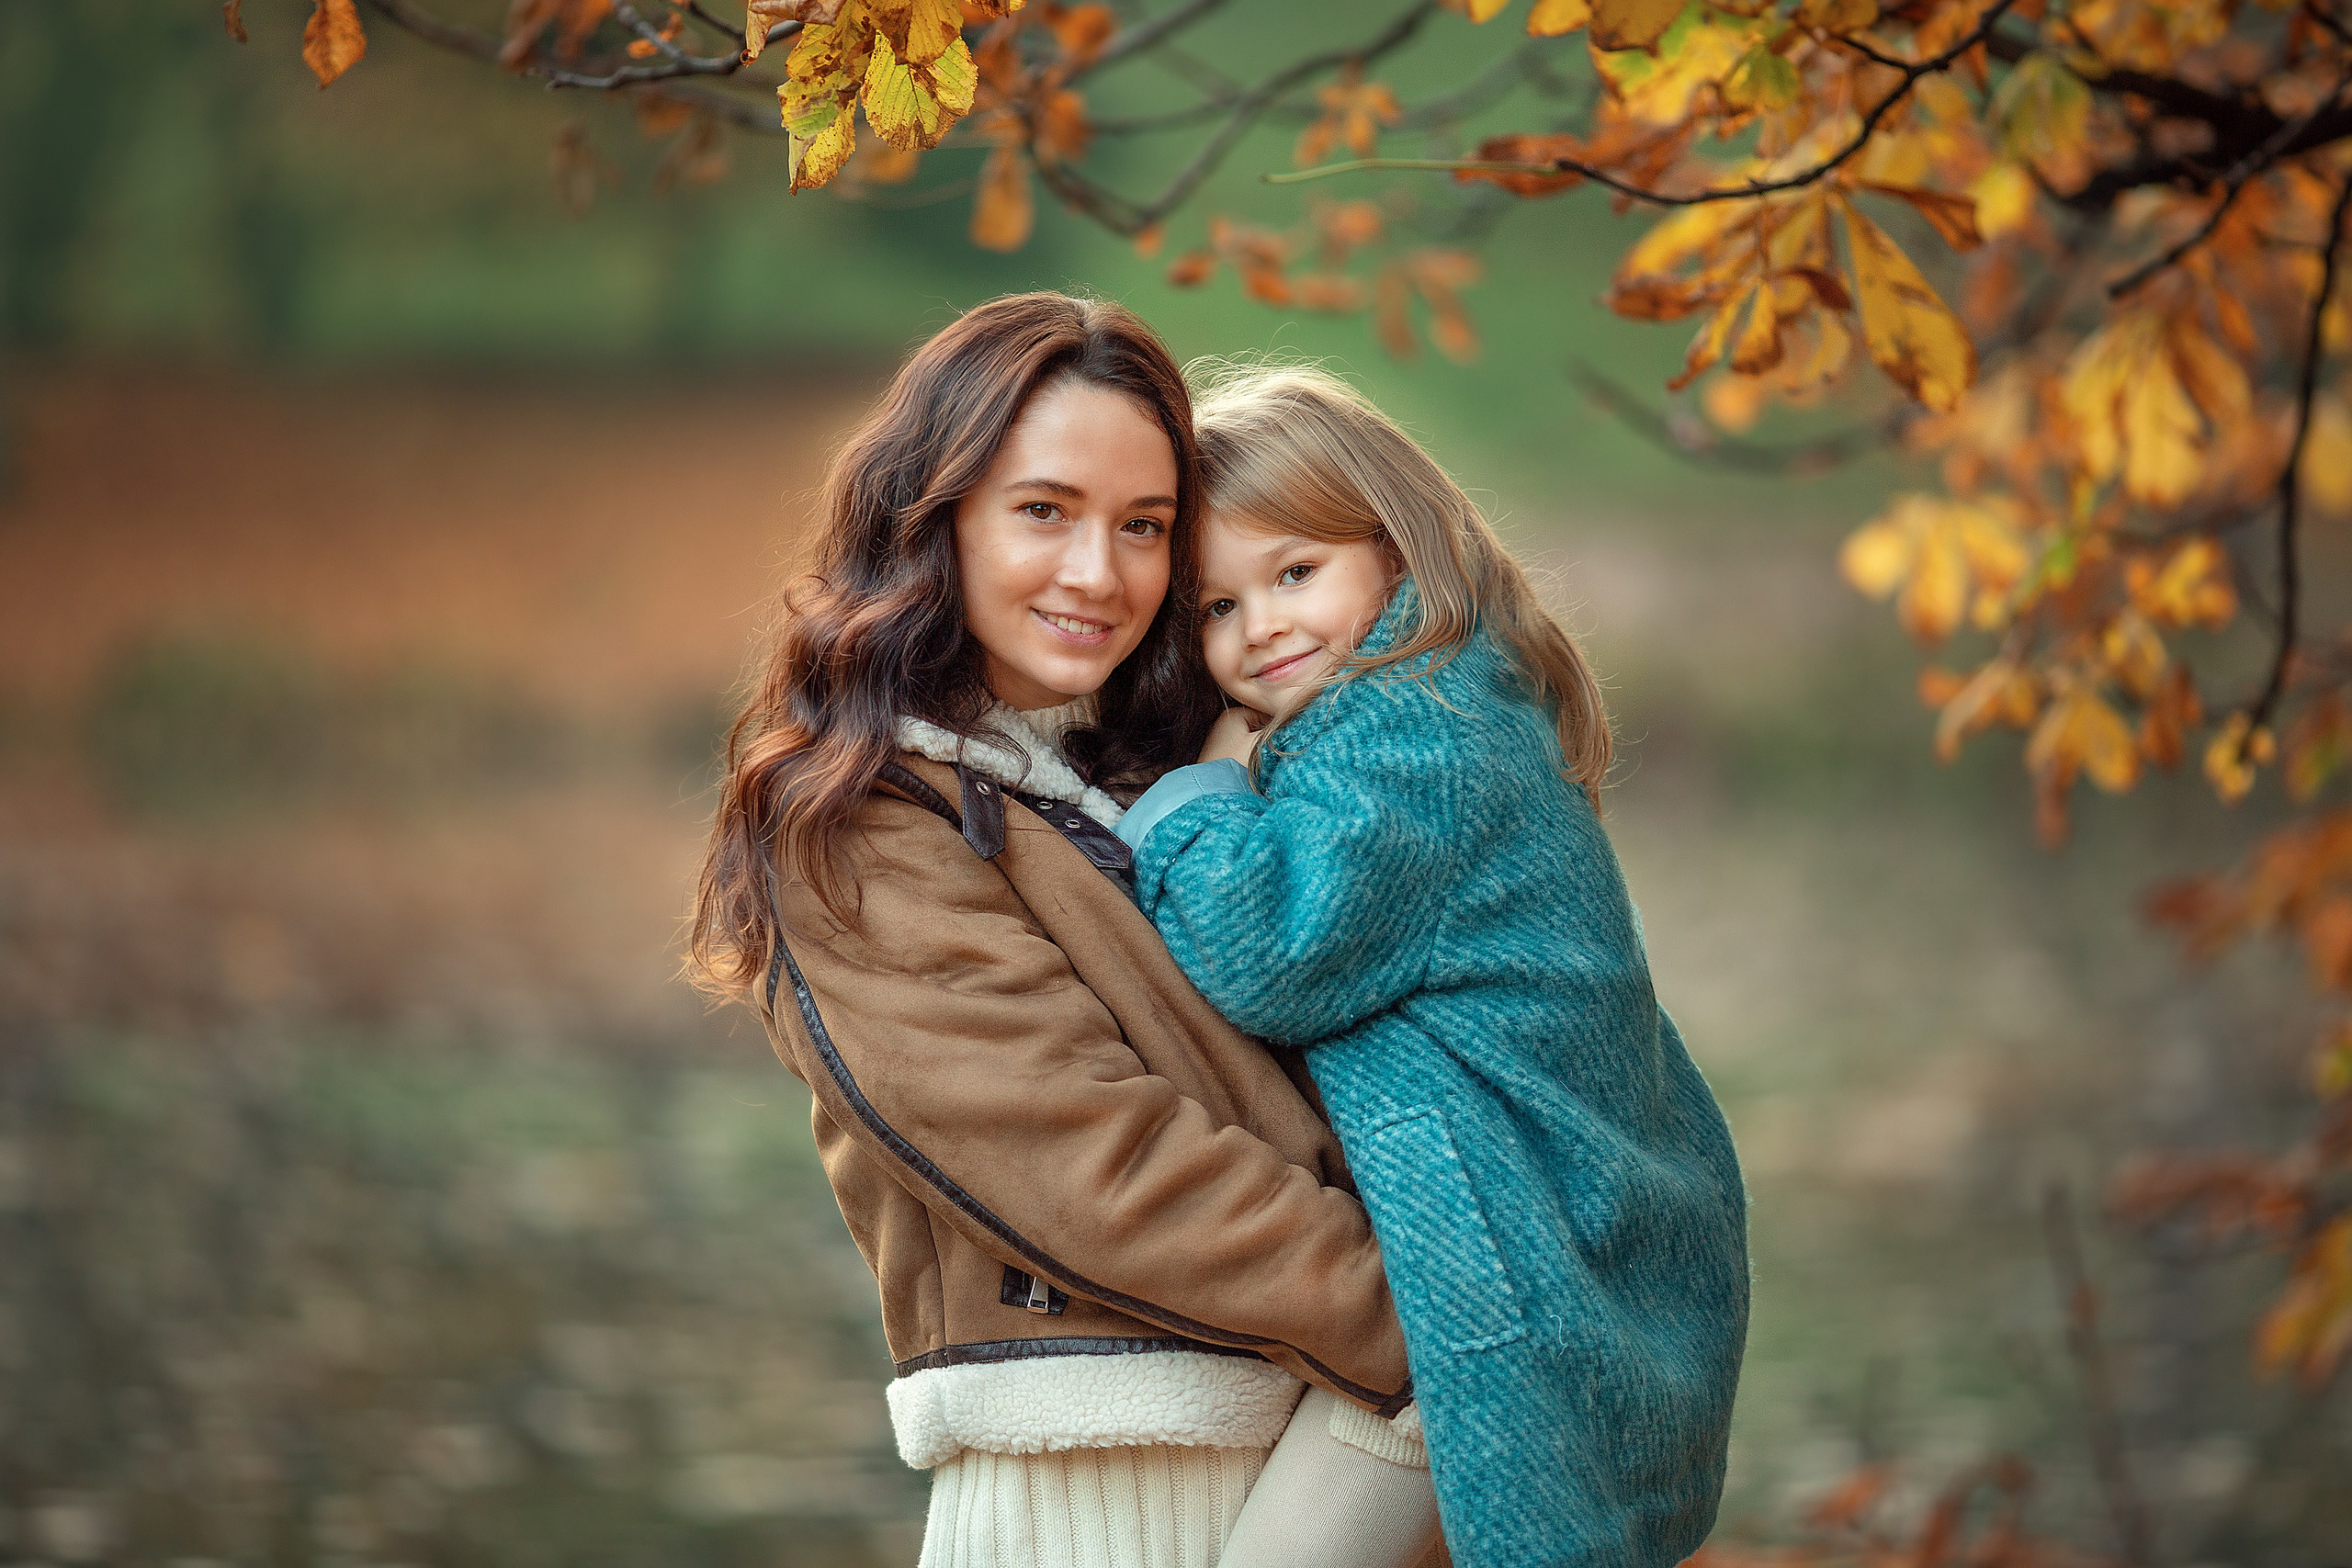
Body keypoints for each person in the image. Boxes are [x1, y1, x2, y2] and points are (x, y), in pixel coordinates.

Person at [690, 297, 1429, 1568]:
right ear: (939, 515)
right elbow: (1102, 1169)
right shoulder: (857, 825)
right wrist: (1452, 1314)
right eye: (1045, 511)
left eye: (1144, 527)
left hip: (1328, 1466)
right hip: (1091, 1506)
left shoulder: (1168, 786)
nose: (1101, 574)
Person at [1115, 363, 1752, 1568]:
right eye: (1215, 610)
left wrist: (1192, 799)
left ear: (1399, 554)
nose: (1265, 631)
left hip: (1542, 1232)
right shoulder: (1433, 702)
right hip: (1575, 1199)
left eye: (1297, 573)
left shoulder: (1414, 734)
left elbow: (1270, 953)